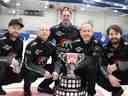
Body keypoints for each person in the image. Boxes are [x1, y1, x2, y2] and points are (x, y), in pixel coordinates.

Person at [38, 7, 79, 93]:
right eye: (64, 15)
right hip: (57, 56)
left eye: (68, 15)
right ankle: (43, 86)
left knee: (67, 74)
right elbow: (47, 41)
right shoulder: (54, 29)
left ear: (70, 16)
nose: (66, 17)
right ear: (61, 16)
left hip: (70, 58)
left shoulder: (76, 30)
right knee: (56, 72)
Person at [23, 24, 56, 96]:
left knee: (56, 69)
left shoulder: (51, 46)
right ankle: (26, 89)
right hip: (30, 69)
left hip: (42, 67)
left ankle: (43, 86)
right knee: (28, 72)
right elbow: (28, 63)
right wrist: (43, 71)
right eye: (42, 30)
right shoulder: (32, 45)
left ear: (49, 33)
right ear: (38, 32)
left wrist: (56, 71)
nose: (45, 32)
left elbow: (55, 61)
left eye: (47, 30)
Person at [72, 22, 103, 96]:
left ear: (92, 32)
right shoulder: (74, 43)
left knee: (92, 67)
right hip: (78, 70)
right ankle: (80, 90)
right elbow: (71, 58)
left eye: (89, 31)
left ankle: (91, 92)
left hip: (92, 71)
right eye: (84, 31)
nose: (86, 33)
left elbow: (94, 60)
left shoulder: (97, 43)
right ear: (80, 32)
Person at [97, 24, 128, 96]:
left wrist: (117, 66)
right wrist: (109, 76)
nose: (114, 36)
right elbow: (102, 65)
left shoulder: (126, 46)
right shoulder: (105, 49)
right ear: (108, 36)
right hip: (113, 83)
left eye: (116, 34)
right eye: (111, 34)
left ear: (120, 35)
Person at [0, 18, 24, 95]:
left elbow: (19, 56)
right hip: (2, 65)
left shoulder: (20, 41)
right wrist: (8, 60)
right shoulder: (1, 40)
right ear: (8, 28)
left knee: (19, 76)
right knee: (1, 67)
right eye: (14, 28)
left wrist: (18, 65)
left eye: (18, 29)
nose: (16, 30)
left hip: (8, 66)